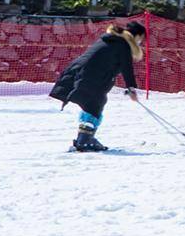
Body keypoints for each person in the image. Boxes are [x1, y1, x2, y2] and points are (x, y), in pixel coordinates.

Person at [49, 20, 144, 153]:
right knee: (95, 104)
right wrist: (131, 89)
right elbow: (126, 68)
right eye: (141, 39)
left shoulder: (109, 39)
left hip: (77, 72)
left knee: (93, 103)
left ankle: (85, 138)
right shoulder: (123, 45)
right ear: (137, 36)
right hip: (91, 77)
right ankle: (85, 140)